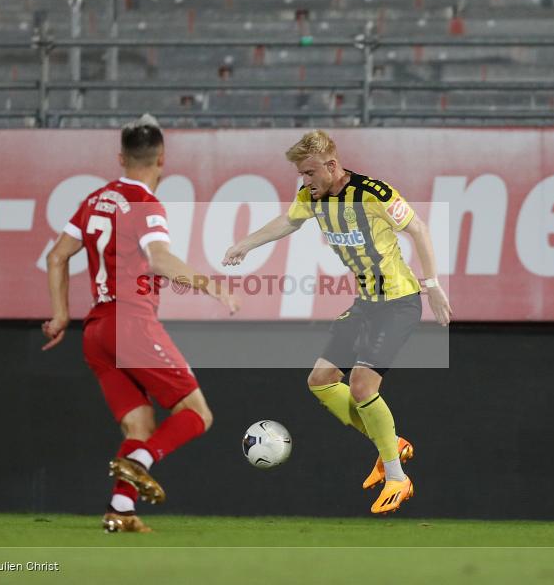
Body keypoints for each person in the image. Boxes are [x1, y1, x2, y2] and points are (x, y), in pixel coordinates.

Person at [223, 130, 451, 514]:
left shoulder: (373, 194)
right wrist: (246, 244)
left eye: (310, 173)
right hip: (365, 303)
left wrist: (432, 286)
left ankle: (398, 478)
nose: (305, 182)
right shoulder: (311, 198)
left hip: (398, 302)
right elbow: (287, 222)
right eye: (301, 175)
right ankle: (389, 443)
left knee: (361, 386)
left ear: (331, 166)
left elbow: (418, 229)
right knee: (321, 381)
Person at [43, 115, 239, 532]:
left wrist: (60, 314)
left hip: (95, 332)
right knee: (197, 414)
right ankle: (142, 462)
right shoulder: (145, 204)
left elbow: (56, 257)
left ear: (121, 157)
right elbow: (160, 259)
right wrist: (210, 285)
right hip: (130, 322)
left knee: (140, 424)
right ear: (162, 159)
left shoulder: (95, 199)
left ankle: (121, 511)